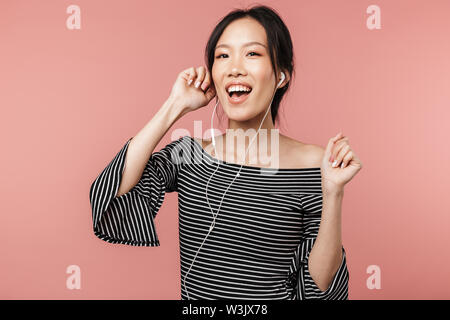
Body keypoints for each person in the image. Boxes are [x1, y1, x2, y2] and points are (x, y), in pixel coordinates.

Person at [89, 5, 363, 300]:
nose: (235, 67)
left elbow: (320, 286)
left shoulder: (315, 164)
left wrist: (334, 193)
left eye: (252, 54)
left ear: (281, 75)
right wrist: (175, 106)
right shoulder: (190, 154)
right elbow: (110, 196)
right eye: (223, 56)